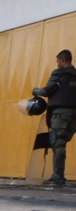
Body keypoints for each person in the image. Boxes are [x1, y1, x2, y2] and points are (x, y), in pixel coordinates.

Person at [33, 49, 76, 186]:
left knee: (57, 143)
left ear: (63, 60)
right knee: (62, 143)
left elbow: (47, 90)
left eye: (58, 61)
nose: (57, 64)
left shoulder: (59, 73)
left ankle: (58, 176)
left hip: (60, 114)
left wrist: (35, 91)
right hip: (74, 114)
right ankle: (59, 175)